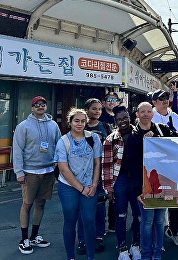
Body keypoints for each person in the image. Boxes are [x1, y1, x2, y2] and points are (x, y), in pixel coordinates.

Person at [13, 96, 60, 255]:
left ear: (46, 106)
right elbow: (17, 150)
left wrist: (58, 164)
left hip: (48, 171)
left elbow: (59, 144)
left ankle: (34, 236)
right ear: (32, 108)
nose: (40, 107)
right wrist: (19, 172)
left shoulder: (53, 125)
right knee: (27, 204)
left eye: (43, 104)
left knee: (41, 203)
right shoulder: (23, 126)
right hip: (29, 171)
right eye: (37, 105)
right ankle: (24, 239)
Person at [55, 108, 102, 260]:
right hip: (69, 187)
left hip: (89, 185)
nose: (80, 124)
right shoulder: (63, 141)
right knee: (70, 220)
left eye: (83, 121)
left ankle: (90, 256)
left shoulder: (93, 138)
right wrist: (81, 188)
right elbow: (63, 169)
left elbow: (97, 163)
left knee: (89, 220)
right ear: (70, 122)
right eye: (76, 121)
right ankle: (70, 256)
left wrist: (94, 185)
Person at [132, 102, 175, 260]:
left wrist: (155, 138)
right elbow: (131, 164)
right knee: (147, 222)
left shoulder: (161, 129)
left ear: (152, 114)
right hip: (144, 186)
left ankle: (157, 254)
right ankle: (146, 254)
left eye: (148, 111)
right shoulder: (133, 134)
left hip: (162, 184)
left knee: (159, 222)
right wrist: (138, 191)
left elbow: (175, 143)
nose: (145, 114)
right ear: (137, 114)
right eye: (142, 111)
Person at [103, 106, 142, 260]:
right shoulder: (110, 139)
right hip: (120, 179)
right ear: (115, 122)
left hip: (137, 179)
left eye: (125, 118)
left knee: (138, 215)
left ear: (129, 117)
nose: (123, 121)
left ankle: (135, 245)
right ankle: (122, 248)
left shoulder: (140, 135)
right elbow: (106, 166)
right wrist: (109, 189)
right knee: (121, 215)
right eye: (119, 119)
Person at [150, 88, 178, 246]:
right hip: (154, 166)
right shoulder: (149, 115)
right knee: (156, 201)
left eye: (166, 97)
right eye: (160, 98)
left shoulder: (175, 117)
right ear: (154, 102)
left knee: (175, 201)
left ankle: (174, 230)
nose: (164, 100)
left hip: (173, 165)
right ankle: (157, 237)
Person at [77, 98, 111, 255]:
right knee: (82, 209)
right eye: (93, 109)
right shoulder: (78, 127)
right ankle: (82, 240)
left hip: (100, 174)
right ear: (86, 109)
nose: (97, 111)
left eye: (99, 109)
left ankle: (98, 237)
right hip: (81, 175)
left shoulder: (105, 127)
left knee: (99, 208)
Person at [100, 91, 119, 233]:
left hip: (117, 159)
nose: (111, 102)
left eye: (114, 99)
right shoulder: (100, 117)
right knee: (101, 195)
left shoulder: (120, 115)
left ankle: (112, 224)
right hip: (102, 158)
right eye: (109, 100)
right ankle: (100, 226)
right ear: (104, 102)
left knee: (114, 194)